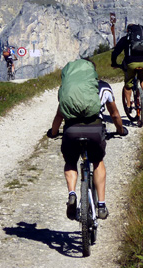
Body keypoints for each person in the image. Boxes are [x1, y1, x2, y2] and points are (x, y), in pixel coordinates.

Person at [48, 59, 127, 221]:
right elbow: (115, 115)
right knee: (98, 161)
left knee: (70, 161)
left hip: (71, 131)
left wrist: (54, 132)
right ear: (93, 72)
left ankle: (71, 194)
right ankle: (101, 205)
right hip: (94, 131)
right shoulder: (104, 87)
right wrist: (121, 130)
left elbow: (59, 115)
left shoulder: (67, 90)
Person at [111, 24, 143, 112]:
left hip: (131, 63)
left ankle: (129, 106)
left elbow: (115, 52)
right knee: (142, 78)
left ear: (128, 31)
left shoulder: (125, 39)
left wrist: (114, 63)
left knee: (128, 84)